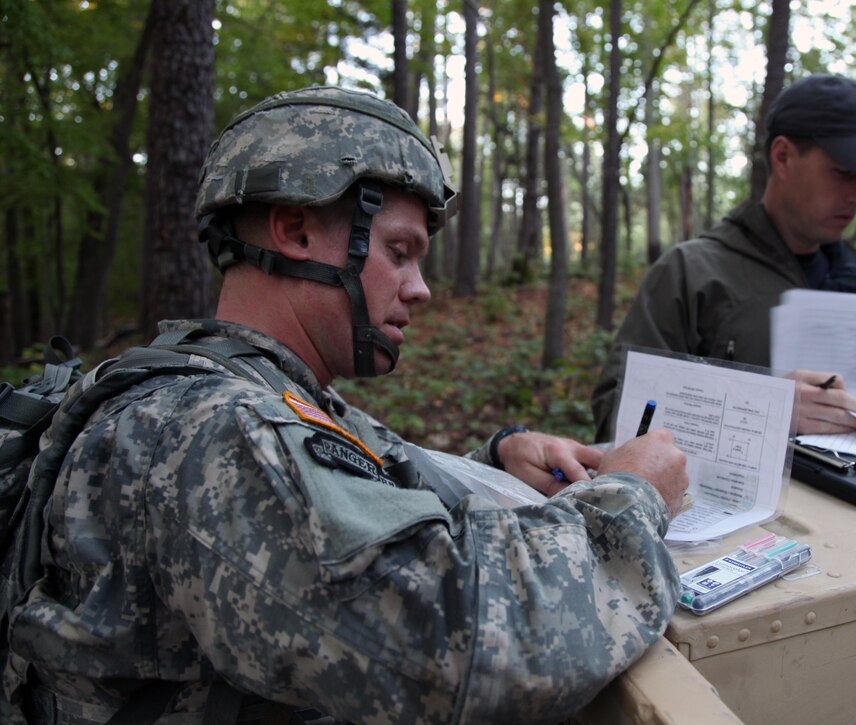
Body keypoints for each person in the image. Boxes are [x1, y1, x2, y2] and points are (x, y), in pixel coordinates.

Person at [6, 86, 689, 724]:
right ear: (296, 232)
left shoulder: (258, 388)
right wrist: (632, 496)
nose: (419, 288)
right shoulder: (216, 431)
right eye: (400, 251)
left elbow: (355, 497)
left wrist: (499, 458)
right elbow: (467, 645)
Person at [592, 73, 856, 442]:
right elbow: (617, 422)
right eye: (844, 173)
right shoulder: (692, 274)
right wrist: (761, 410)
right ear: (782, 157)